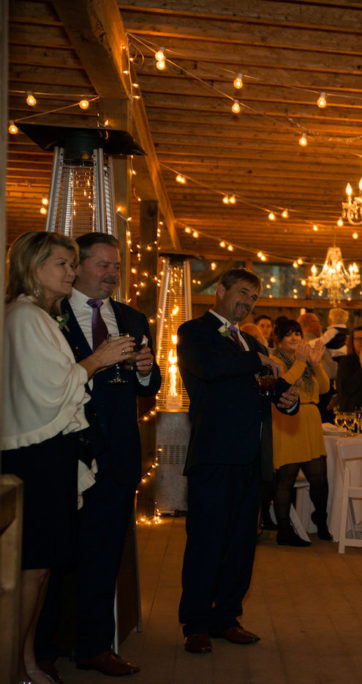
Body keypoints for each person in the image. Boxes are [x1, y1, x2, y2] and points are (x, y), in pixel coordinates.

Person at [1, 231, 133, 684]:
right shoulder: (24, 317)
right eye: (62, 263)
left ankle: (28, 662)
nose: (71, 272)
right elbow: (51, 389)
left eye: (71, 264)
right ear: (32, 266)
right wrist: (97, 361)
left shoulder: (40, 316)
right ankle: (18, 664)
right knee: (33, 570)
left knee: (42, 568)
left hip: (60, 451)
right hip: (37, 454)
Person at [34, 233, 161, 679]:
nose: (111, 274)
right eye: (102, 265)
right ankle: (40, 650)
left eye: (116, 266)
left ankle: (94, 647)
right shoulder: (49, 315)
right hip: (65, 453)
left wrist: (147, 372)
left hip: (119, 457)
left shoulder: (130, 317)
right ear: (79, 267)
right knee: (55, 556)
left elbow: (152, 383)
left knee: (105, 556)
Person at [176, 268, 298, 655]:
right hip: (213, 455)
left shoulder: (249, 341)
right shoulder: (194, 332)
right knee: (206, 540)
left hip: (252, 456)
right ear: (221, 290)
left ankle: (226, 617)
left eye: (253, 298)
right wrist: (260, 360)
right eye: (242, 294)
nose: (247, 303)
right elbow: (211, 370)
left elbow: (273, 386)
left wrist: (286, 399)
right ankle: (195, 623)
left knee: (243, 543)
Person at [270, 319, 330, 546]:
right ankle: (284, 529)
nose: (294, 338)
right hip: (288, 421)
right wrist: (301, 362)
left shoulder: (305, 360)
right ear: (278, 339)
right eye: (288, 335)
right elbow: (282, 385)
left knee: (319, 479)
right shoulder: (274, 360)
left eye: (297, 333)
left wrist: (316, 364)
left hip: (311, 421)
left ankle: (321, 521)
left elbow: (323, 388)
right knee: (285, 479)